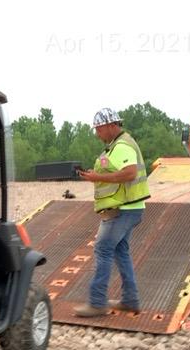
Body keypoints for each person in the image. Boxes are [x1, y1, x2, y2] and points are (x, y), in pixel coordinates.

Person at [74, 108, 150, 317]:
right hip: (128, 207)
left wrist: (98, 178)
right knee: (120, 251)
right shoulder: (116, 146)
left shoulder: (122, 146)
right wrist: (95, 175)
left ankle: (97, 303)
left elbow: (130, 173)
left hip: (123, 209)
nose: (97, 134)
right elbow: (115, 173)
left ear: (111, 126)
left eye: (99, 129)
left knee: (103, 249)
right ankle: (130, 300)